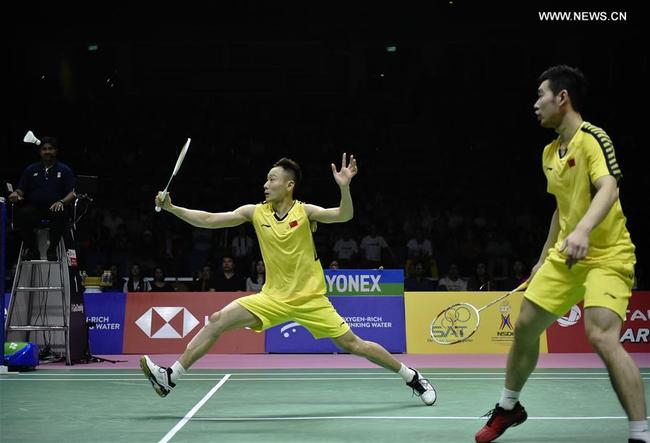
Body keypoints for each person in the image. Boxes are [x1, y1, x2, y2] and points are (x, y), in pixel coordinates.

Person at [140, 155, 436, 406]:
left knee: (354, 344)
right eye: (266, 180)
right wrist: (172, 208)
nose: (265, 185)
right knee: (217, 319)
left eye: (272, 179)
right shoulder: (255, 213)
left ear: (289, 185)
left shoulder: (304, 212)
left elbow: (344, 215)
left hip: (311, 299)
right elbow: (208, 219)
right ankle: (170, 377)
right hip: (272, 298)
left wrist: (344, 189)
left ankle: (411, 376)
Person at [475, 65, 648, 443]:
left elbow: (609, 187)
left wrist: (584, 230)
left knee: (601, 335)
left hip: (608, 254)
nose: (535, 104)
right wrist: (541, 260)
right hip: (566, 255)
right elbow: (561, 209)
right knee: (524, 327)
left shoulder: (593, 139)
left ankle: (640, 434)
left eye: (541, 95)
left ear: (562, 98)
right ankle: (509, 407)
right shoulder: (549, 153)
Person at [8, 136, 76, 261]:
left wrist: (61, 201)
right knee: (22, 214)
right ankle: (33, 250)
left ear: (56, 151)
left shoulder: (65, 170)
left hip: (55, 206)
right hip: (35, 207)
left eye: (50, 149)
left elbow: (72, 193)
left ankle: (52, 250)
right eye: (44, 149)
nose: (47, 152)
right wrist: (15, 195)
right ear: (40, 152)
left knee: (61, 214)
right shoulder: (31, 169)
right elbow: (21, 190)